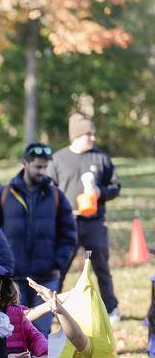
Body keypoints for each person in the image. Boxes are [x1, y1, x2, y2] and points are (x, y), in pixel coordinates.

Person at [0, 143, 77, 358]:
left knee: (41, 333)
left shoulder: (56, 196)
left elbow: (70, 233)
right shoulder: (4, 194)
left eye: (45, 167)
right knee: (12, 331)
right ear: (24, 164)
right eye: (37, 166)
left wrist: (58, 261)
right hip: (11, 279)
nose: (42, 171)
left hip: (46, 277)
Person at [49, 113, 122, 320]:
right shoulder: (58, 159)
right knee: (60, 266)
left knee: (101, 267)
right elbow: (48, 189)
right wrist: (61, 210)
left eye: (94, 133)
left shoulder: (100, 158)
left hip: (94, 222)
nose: (93, 138)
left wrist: (101, 193)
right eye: (89, 134)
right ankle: (53, 308)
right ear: (77, 135)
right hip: (67, 223)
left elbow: (116, 186)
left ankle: (111, 308)